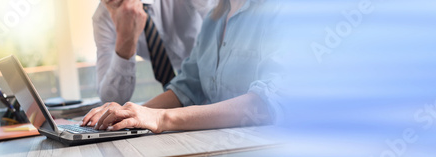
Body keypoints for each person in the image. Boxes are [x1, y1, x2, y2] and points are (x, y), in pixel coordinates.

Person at [82, 0, 284, 133]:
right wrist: (132, 113)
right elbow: (187, 87)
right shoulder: (214, 19)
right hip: (216, 143)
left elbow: (268, 103)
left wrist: (162, 117)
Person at [94, 0, 217, 105]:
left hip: (214, 74)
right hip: (185, 89)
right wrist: (125, 40)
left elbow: (222, 29)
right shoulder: (103, 19)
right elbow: (111, 100)